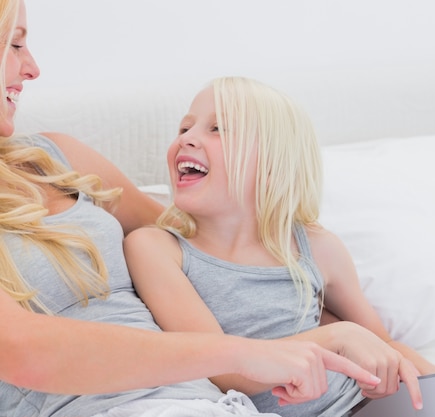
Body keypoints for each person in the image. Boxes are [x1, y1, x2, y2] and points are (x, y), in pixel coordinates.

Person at [0, 1, 384, 416]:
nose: (32, 67)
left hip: (214, 403)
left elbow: (211, 258)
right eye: (14, 44)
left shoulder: (54, 157)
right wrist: (239, 355)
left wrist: (350, 342)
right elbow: (23, 351)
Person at [124, 77, 435, 417]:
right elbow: (217, 365)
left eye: (217, 129)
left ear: (271, 162)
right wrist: (333, 337)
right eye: (184, 129)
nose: (187, 139)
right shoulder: (157, 249)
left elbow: (380, 348)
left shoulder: (315, 248)